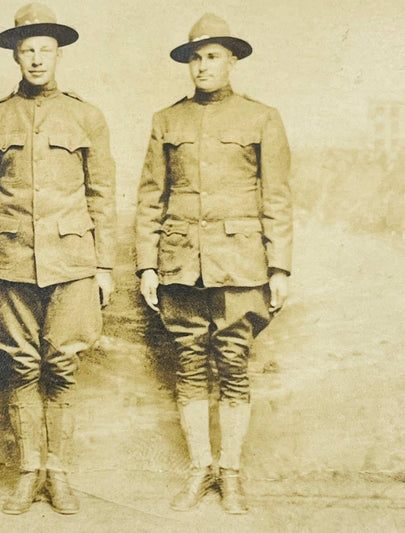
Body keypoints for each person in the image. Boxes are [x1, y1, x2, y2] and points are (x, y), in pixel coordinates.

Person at [135, 13, 292, 514]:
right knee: (188, 365)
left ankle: (231, 473)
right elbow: (149, 199)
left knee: (234, 365)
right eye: (195, 58)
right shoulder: (167, 120)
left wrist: (280, 269)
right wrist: (146, 267)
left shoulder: (261, 116)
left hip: (242, 263)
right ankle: (199, 468)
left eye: (212, 56)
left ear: (233, 60)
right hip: (180, 263)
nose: (202, 67)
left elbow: (278, 198)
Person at [0, 3, 116, 516]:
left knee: (63, 365)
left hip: (72, 260)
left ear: (57, 54)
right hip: (7, 260)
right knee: (22, 365)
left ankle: (60, 474)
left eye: (44, 49)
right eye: (26, 49)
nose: (35, 59)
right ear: (15, 54)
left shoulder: (86, 115)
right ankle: (29, 474)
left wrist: (104, 267)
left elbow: (102, 196)